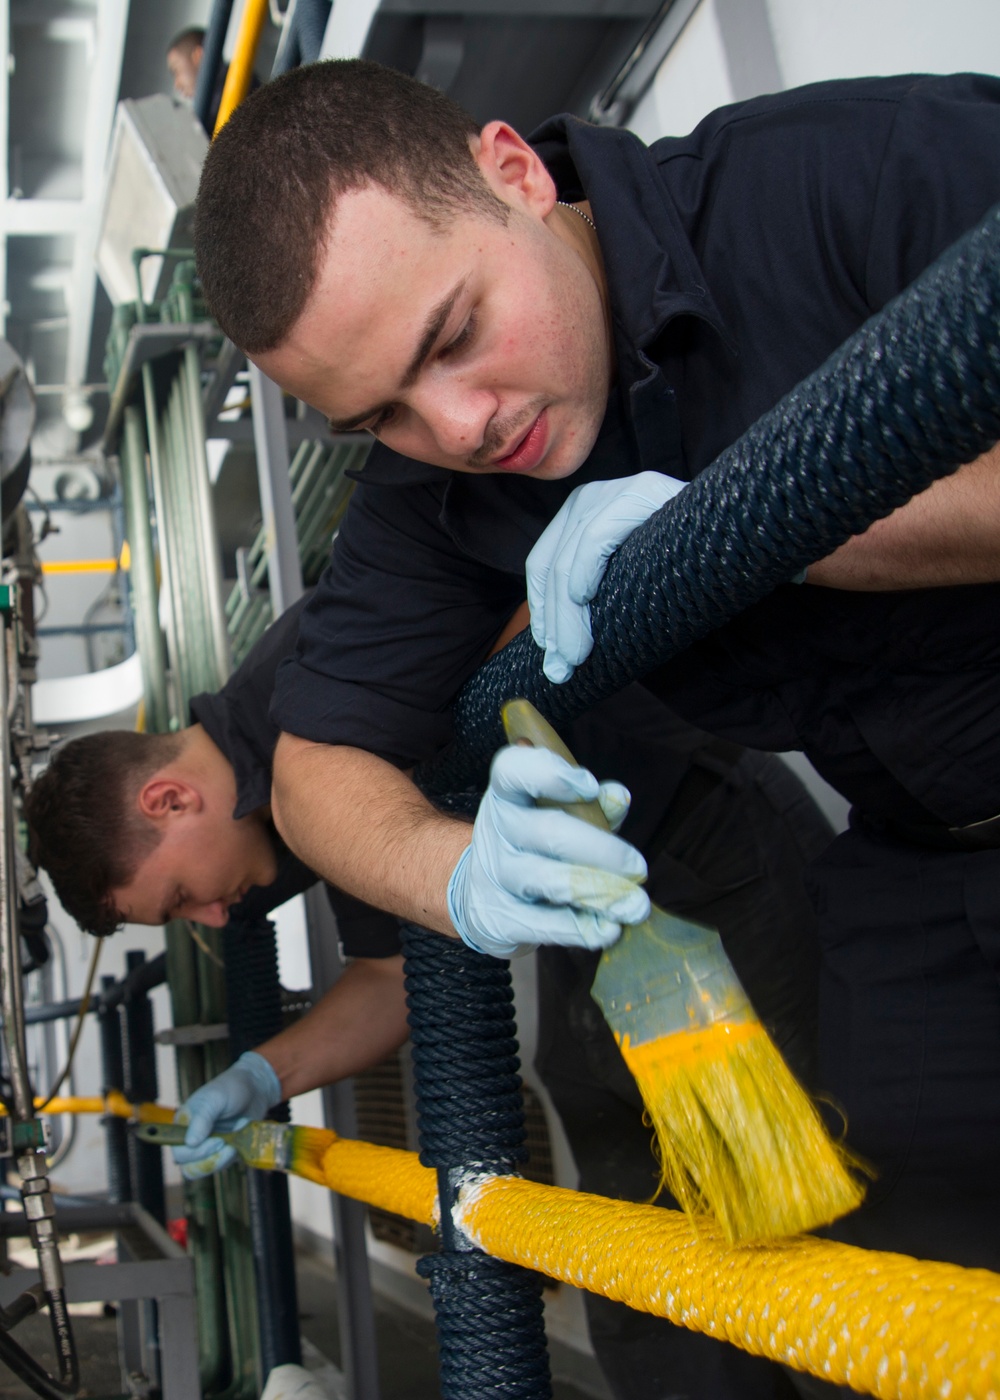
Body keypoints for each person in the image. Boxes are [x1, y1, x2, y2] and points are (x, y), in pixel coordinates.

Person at [190, 56, 1000, 1349]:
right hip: (922, 851)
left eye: (452, 337)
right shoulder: (446, 479)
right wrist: (460, 870)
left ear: (515, 172)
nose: (454, 425)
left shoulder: (862, 171)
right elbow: (311, 772)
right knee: (902, 1291)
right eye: (381, 415)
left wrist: (764, 516)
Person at [26, 597, 835, 1400]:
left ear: (169, 801)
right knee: (621, 1198)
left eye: (178, 899)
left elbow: (521, 592)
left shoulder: (310, 677)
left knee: (816, 1184)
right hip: (591, 920)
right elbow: (390, 979)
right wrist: (261, 1077)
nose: (212, 916)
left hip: (693, 846)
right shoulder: (291, 808)